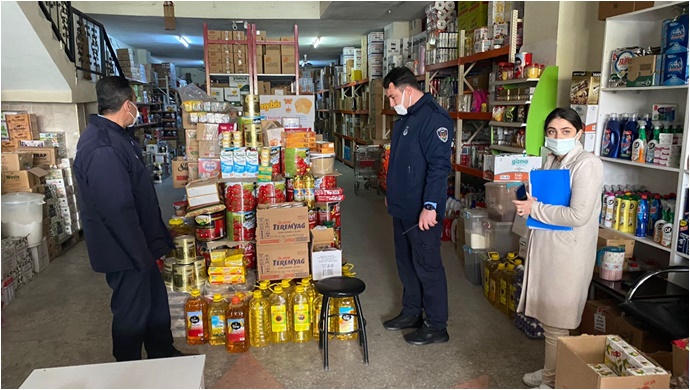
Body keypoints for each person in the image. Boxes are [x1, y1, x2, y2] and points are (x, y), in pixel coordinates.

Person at [74, 76, 182, 361]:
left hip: (140, 244)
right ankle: (127, 366)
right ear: (127, 104)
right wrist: (139, 254)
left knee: (154, 302)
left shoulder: (118, 136)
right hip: (125, 249)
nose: (136, 109)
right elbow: (116, 209)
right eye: (134, 103)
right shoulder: (102, 148)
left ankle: (162, 352)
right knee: (131, 311)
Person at [512, 107, 603, 389]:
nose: (558, 137)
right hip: (546, 245)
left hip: (568, 253)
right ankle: (551, 370)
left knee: (556, 321)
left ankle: (552, 381)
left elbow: (578, 215)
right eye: (552, 132)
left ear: (578, 133)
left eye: (565, 131)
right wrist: (525, 198)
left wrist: (535, 207)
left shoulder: (586, 164)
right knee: (548, 318)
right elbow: (546, 200)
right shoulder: (552, 159)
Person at [381, 67, 453, 345]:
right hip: (401, 206)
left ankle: (436, 325)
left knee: (427, 266)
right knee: (406, 264)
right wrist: (392, 192)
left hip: (422, 210)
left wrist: (431, 206)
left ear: (407, 91)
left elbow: (438, 167)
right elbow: (400, 162)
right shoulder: (406, 119)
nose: (391, 103)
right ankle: (412, 312)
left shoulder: (433, 119)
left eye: (392, 97)